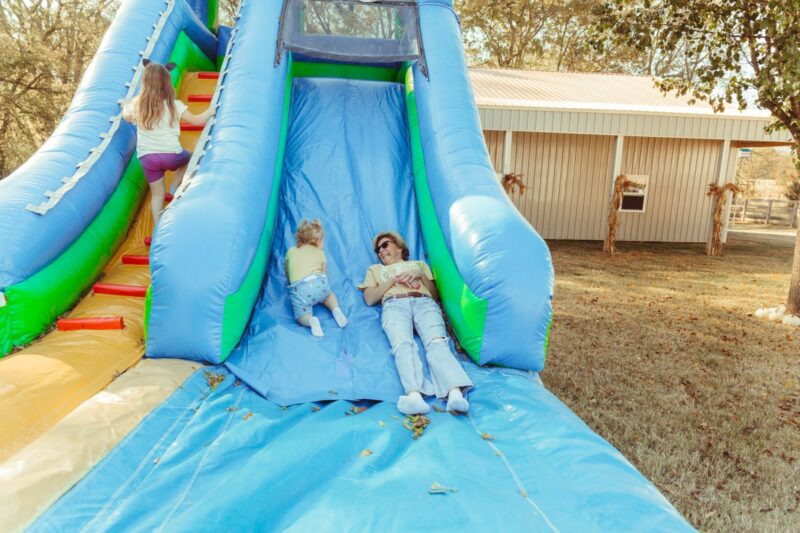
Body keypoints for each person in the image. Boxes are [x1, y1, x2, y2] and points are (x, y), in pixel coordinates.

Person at [359, 231, 472, 415]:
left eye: (385, 245)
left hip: (424, 302)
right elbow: (370, 299)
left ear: (399, 245)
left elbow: (435, 295)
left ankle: (454, 392)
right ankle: (414, 395)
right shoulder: (375, 270)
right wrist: (392, 280)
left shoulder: (419, 265)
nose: (380, 251)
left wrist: (419, 274)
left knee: (437, 342)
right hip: (394, 304)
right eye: (377, 249)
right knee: (402, 345)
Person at [122, 59, 213, 227]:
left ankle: (158, 229)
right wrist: (211, 110)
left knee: (157, 195)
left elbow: (126, 116)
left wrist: (125, 106)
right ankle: (175, 184)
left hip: (147, 158)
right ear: (166, 84)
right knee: (190, 157)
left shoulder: (137, 105)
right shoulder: (173, 105)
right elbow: (197, 120)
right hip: (171, 155)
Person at [285, 219, 348, 337]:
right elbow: (324, 275)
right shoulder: (321, 253)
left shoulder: (291, 251)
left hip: (301, 289)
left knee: (301, 316)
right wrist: (322, 287)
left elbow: (288, 270)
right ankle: (335, 309)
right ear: (317, 241)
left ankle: (311, 321)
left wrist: (289, 280)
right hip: (319, 284)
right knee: (328, 295)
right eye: (323, 241)